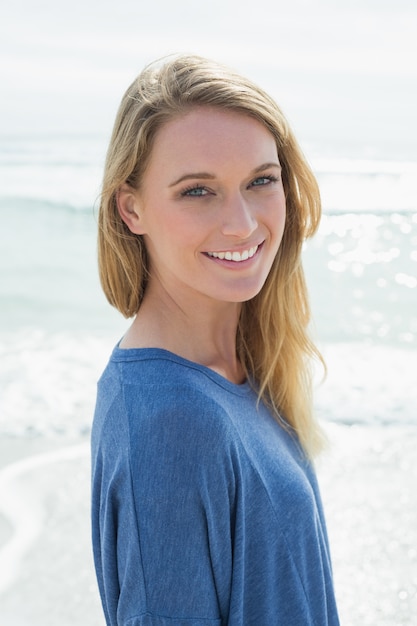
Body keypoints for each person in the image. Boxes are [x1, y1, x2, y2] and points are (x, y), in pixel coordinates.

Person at [91, 54, 340, 625]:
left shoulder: (243, 366)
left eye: (261, 181)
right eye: (198, 191)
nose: (243, 223)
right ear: (132, 208)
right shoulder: (172, 419)